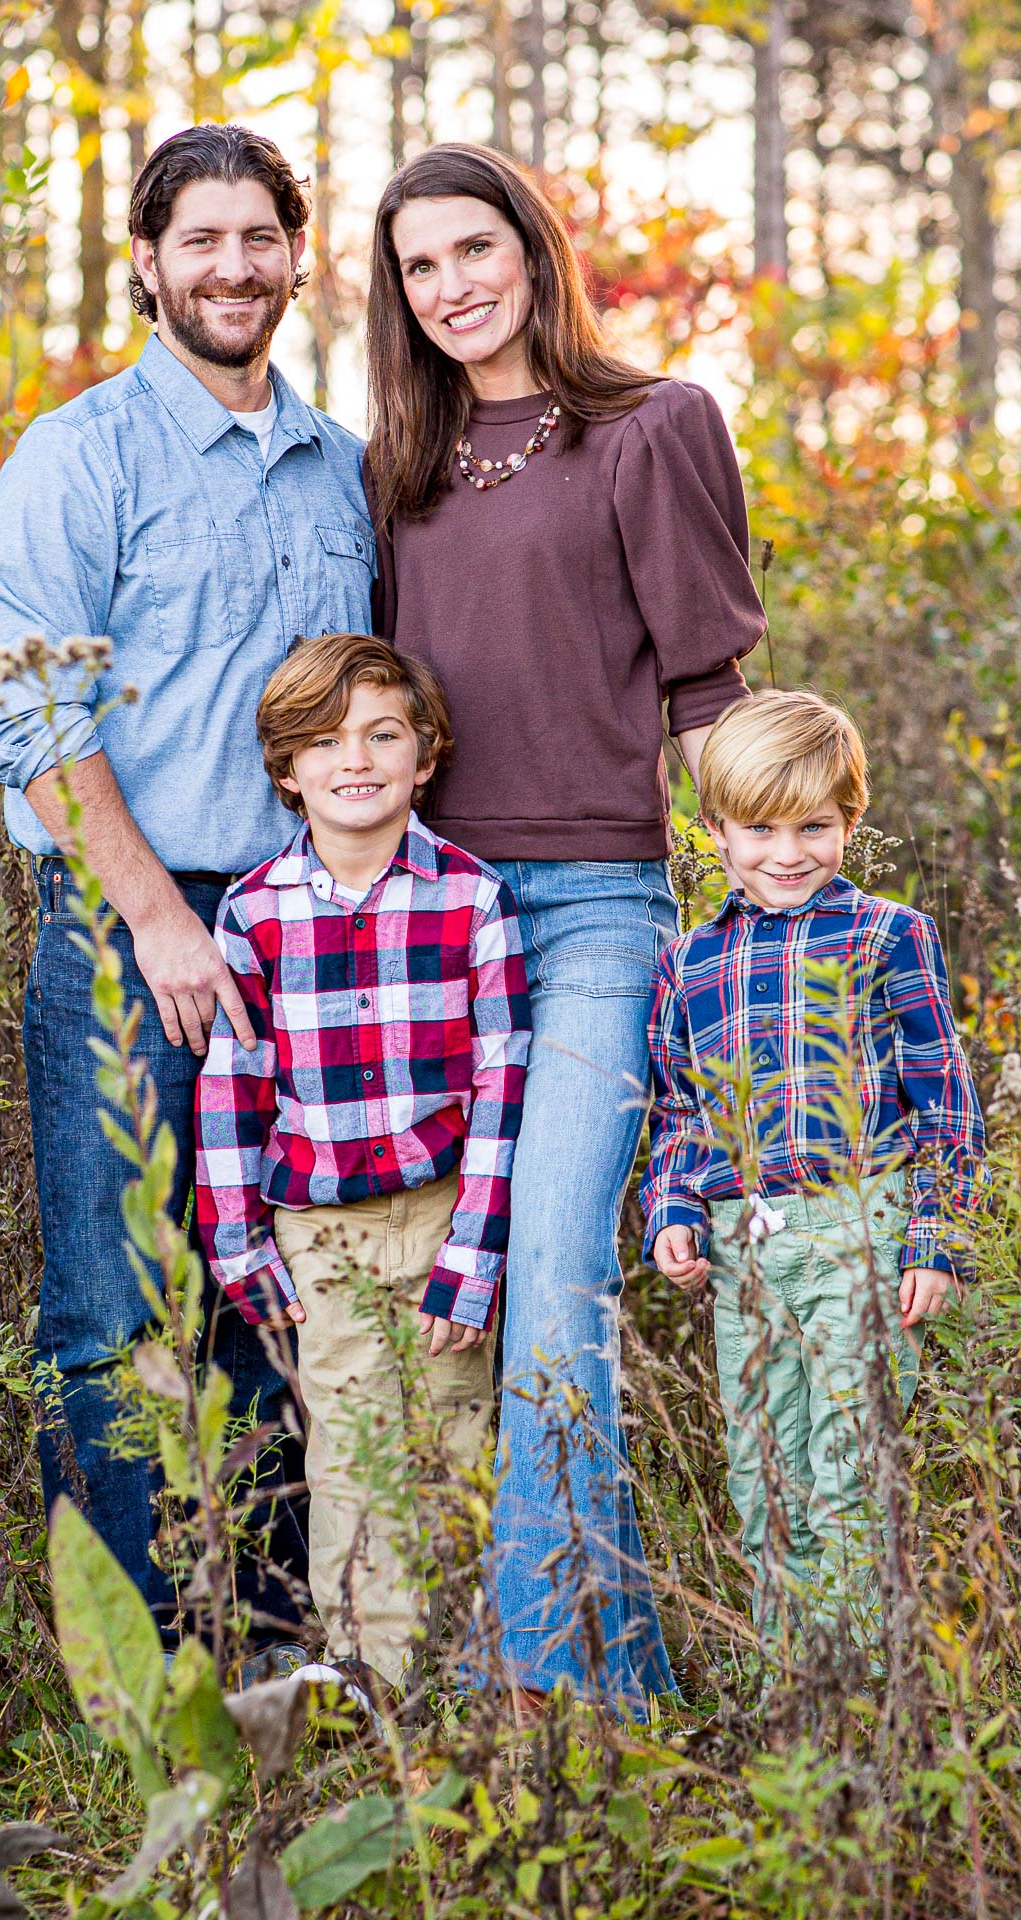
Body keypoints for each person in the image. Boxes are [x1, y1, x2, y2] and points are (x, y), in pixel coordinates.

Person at [364, 140, 769, 1716]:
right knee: (468, 1314)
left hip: (600, 913)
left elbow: (714, 690)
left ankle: (525, 1690)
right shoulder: (393, 473)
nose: (454, 286)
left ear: (533, 251)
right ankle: (621, 1685)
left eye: (477, 250)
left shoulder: (654, 427)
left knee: (554, 1282)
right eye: (420, 266)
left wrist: (759, 920)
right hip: (435, 932)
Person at [0, 124, 375, 1658]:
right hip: (131, 929)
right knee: (117, 1319)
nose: (231, 268)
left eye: (257, 238)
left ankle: (267, 1660)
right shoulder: (79, 457)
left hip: (309, 935)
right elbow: (27, 709)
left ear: (293, 254)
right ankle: (141, 1689)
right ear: (146, 263)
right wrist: (154, 917)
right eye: (198, 241)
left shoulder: (343, 468)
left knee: (277, 1306)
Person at [194, 633, 531, 1709]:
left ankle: (469, 1669)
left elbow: (499, 1076)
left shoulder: (470, 898)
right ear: (284, 769)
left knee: (453, 1432)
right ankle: (368, 1676)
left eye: (381, 734)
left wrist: (474, 1254)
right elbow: (231, 1085)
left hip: (440, 1216)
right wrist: (238, 1241)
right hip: (319, 1232)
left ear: (424, 757)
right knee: (348, 1443)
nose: (355, 759)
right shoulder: (251, 913)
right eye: (323, 742)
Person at [642, 690, 985, 1651]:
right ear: (712, 828)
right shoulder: (689, 963)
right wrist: (672, 1206)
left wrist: (938, 1237)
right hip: (744, 1243)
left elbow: (944, 1095)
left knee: (848, 1460)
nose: (786, 852)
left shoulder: (890, 936)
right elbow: (677, 1108)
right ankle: (783, 1685)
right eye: (759, 828)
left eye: (815, 826)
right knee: (763, 1469)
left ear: (849, 821)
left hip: (860, 1227)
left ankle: (858, 1685)